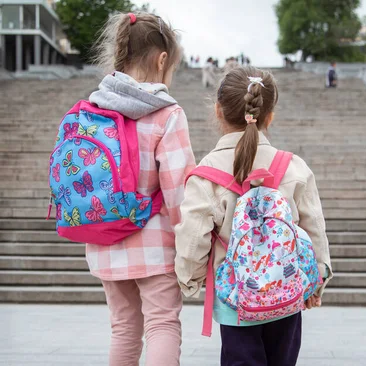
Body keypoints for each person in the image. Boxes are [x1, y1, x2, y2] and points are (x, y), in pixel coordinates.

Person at [175, 66, 333, 366]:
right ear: (269, 115)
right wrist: (316, 281)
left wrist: (189, 279)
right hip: (286, 295)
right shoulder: (294, 167)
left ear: (218, 111)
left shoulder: (206, 173)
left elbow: (193, 235)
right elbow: (314, 230)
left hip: (236, 300)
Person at [84, 12, 196, 366]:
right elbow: (179, 191)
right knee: (162, 324)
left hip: (104, 240)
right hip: (154, 246)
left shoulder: (93, 109)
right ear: (162, 60)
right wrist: (192, 244)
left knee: (123, 328)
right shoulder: (167, 114)